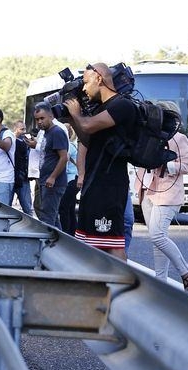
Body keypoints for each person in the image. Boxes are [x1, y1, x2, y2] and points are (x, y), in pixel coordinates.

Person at [66, 62, 138, 261]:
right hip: (94, 183)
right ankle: (99, 285)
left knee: (112, 243)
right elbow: (88, 139)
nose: (83, 88)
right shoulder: (102, 109)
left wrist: (76, 113)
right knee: (92, 241)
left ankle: (124, 287)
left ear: (99, 78)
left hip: (110, 185)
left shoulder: (122, 105)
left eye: (86, 82)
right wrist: (73, 120)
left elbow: (87, 126)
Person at [134, 101, 188, 292]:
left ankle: (186, 271)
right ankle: (161, 282)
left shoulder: (179, 138)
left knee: (158, 235)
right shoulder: (148, 134)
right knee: (156, 239)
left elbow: (185, 166)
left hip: (167, 191)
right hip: (147, 189)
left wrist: (165, 163)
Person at [33, 102, 69, 228]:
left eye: (42, 118)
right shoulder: (47, 133)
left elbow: (64, 157)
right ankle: (63, 246)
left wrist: (53, 177)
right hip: (45, 181)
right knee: (52, 219)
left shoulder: (57, 132)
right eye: (37, 119)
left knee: (47, 218)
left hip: (54, 183)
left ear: (51, 116)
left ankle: (47, 246)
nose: (39, 122)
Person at [58, 124, 80, 235]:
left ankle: (65, 233)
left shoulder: (68, 146)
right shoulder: (69, 145)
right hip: (73, 179)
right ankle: (73, 233)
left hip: (72, 179)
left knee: (63, 207)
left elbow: (64, 167)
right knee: (70, 208)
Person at [11, 120, 34, 215]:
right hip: (10, 177)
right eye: (22, 129)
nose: (24, 131)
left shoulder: (25, 142)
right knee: (6, 207)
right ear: (15, 130)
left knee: (27, 208)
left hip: (22, 177)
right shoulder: (10, 140)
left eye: (25, 129)